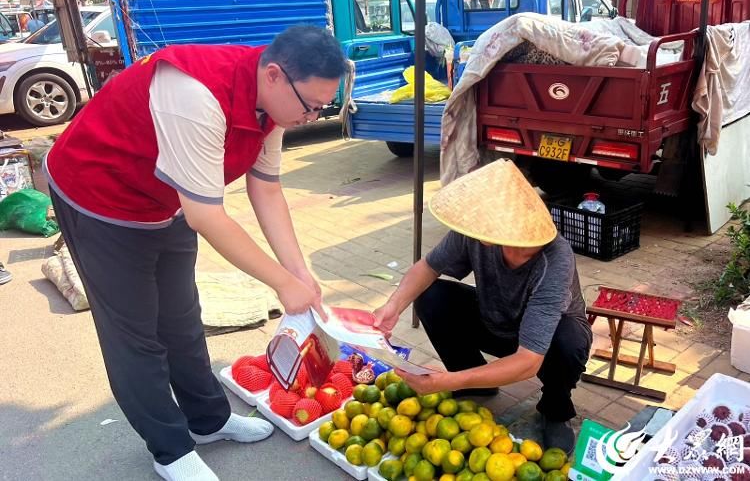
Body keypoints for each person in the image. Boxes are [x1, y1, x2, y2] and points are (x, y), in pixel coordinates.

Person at [44, 25, 348, 481]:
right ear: (274, 75)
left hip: (168, 197)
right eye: (312, 106)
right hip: (99, 197)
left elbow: (265, 188)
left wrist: (299, 272)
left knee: (182, 318)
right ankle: (170, 451)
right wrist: (283, 285)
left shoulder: (276, 107)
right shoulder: (195, 94)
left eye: (324, 107)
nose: (314, 117)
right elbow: (209, 218)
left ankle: (209, 420)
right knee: (136, 335)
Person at [373, 160, 592, 455]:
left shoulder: (555, 259)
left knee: (570, 341)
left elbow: (529, 360)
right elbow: (427, 267)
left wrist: (447, 382)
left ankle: (555, 410)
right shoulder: (478, 233)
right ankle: (475, 381)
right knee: (431, 295)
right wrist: (393, 305)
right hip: (494, 319)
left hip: (544, 343)